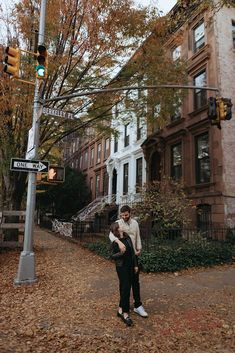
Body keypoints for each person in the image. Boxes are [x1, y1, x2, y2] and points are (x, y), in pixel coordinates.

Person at [109, 205, 148, 318]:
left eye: (126, 215)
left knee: (135, 282)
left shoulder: (135, 223)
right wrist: (118, 242)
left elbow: (138, 236)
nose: (124, 217)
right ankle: (123, 305)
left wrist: (139, 248)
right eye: (122, 215)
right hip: (123, 258)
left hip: (134, 256)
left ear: (130, 213)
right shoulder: (118, 223)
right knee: (124, 283)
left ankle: (138, 306)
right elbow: (110, 234)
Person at [110, 222, 138, 326]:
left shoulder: (127, 238)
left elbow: (132, 253)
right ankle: (125, 314)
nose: (122, 227)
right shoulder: (115, 242)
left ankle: (120, 309)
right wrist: (121, 253)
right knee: (125, 287)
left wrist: (135, 265)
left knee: (125, 287)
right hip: (121, 267)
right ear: (117, 230)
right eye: (120, 226)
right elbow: (112, 256)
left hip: (130, 266)